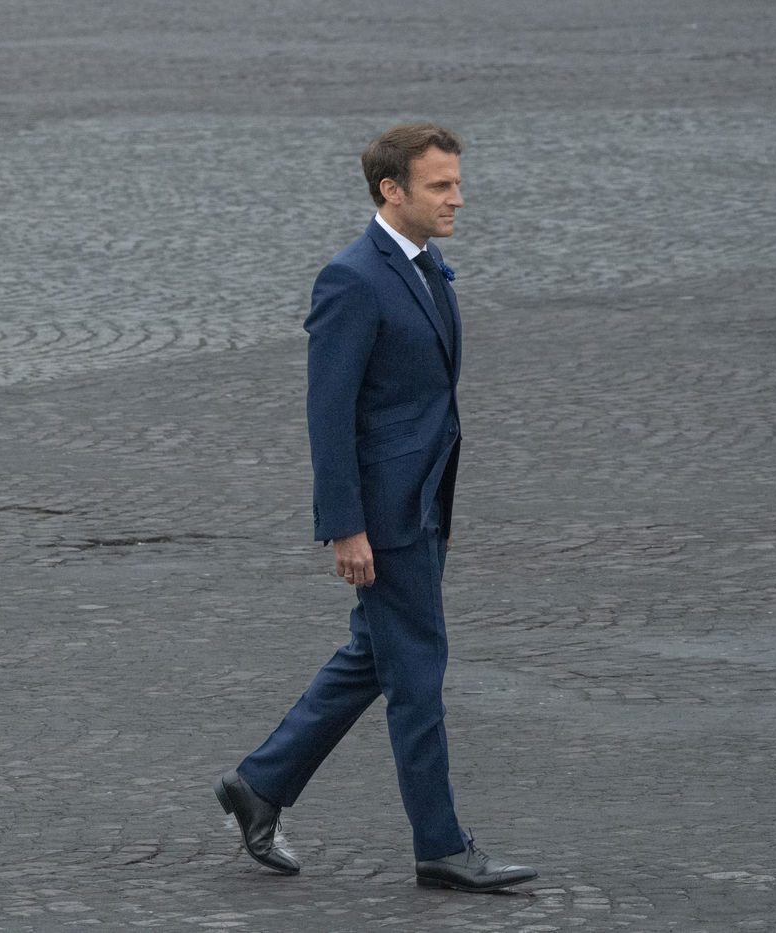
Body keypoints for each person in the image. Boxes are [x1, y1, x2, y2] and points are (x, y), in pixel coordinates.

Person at [213, 123, 538, 893]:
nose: (457, 198)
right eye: (440, 185)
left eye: (457, 182)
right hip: (385, 518)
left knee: (375, 656)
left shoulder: (426, 269)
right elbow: (328, 416)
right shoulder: (352, 280)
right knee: (416, 675)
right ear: (392, 190)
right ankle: (441, 846)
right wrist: (347, 526)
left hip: (420, 504)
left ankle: (259, 783)